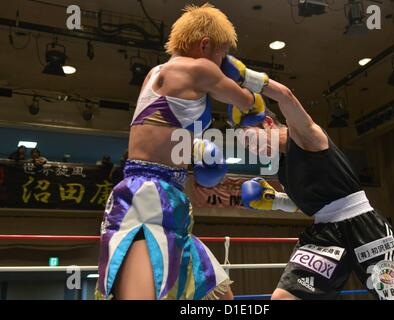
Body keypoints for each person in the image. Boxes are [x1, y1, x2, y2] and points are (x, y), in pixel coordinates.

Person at [96, 4, 268, 300]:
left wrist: (198, 148)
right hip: (149, 199)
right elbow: (249, 104)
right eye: (221, 53)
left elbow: (163, 130)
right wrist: (241, 73)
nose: (221, 61)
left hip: (166, 196)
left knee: (220, 293)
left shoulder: (155, 73)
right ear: (205, 45)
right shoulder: (199, 68)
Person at [237, 92, 394, 299]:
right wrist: (276, 201)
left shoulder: (306, 137)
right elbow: (309, 204)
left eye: (251, 140)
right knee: (284, 297)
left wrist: (252, 79)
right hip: (324, 235)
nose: (254, 150)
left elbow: (286, 96)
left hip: (363, 226)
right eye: (248, 147)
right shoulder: (283, 167)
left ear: (267, 123)